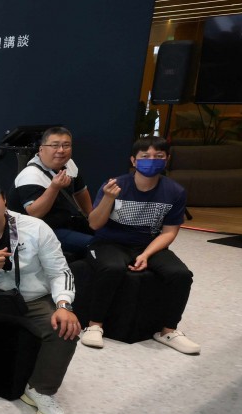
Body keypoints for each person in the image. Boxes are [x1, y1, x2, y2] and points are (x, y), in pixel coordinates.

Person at [0, 174, 79, 414]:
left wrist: (64, 304)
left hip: (31, 299)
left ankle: (40, 389)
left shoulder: (36, 228)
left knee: (65, 328)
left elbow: (60, 271)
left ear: (4, 199)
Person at [81, 137, 198, 354]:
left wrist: (146, 254)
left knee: (181, 274)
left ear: (167, 160)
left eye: (158, 156)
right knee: (112, 268)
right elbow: (94, 224)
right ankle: (95, 325)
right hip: (108, 242)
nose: (151, 161)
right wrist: (108, 198)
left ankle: (168, 331)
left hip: (147, 244)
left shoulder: (175, 191)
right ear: (134, 161)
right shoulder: (115, 185)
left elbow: (169, 232)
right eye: (145, 156)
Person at [13, 126, 94, 253]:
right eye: (55, 145)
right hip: (37, 232)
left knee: (107, 235)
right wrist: (54, 187)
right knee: (94, 244)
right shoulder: (30, 175)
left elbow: (81, 191)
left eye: (66, 145)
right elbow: (35, 213)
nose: (61, 150)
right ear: (41, 150)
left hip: (65, 222)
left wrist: (91, 217)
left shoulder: (69, 164)